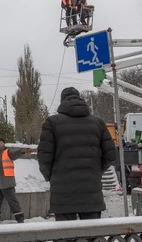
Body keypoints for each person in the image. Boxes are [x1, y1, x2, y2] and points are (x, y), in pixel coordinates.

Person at [37, 87, 116, 221]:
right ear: (80, 99)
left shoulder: (52, 123)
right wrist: (96, 171)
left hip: (62, 192)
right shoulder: (98, 123)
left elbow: (44, 156)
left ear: (62, 101)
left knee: (65, 235)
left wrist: (51, 176)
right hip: (92, 191)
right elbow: (110, 155)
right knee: (92, 235)